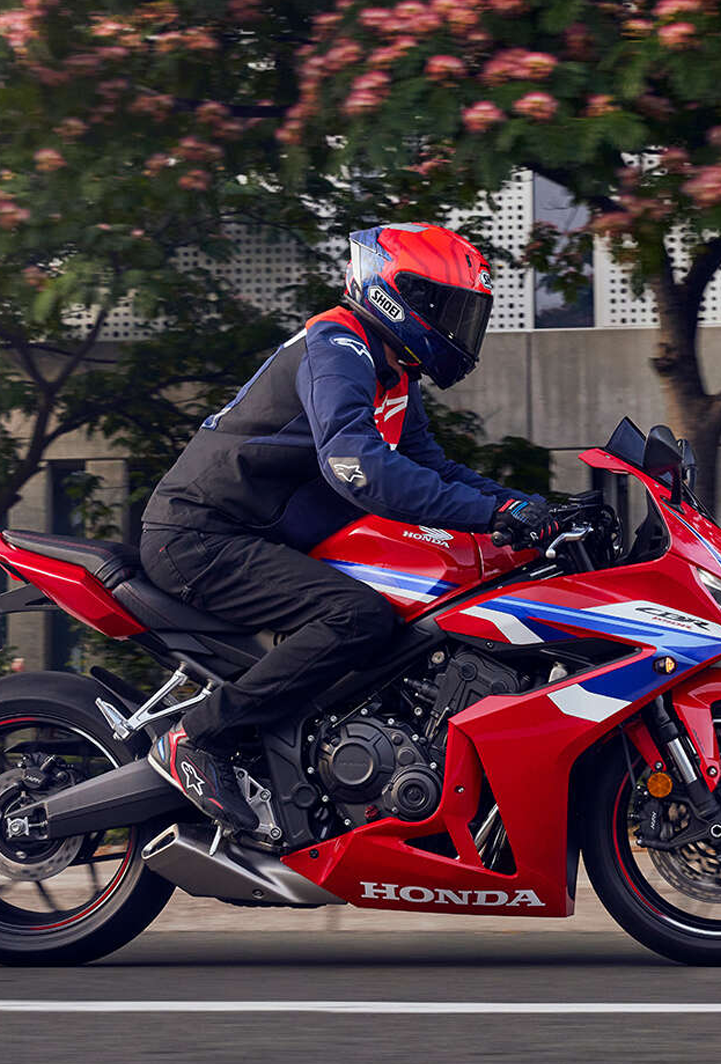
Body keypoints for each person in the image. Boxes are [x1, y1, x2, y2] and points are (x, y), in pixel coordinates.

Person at [139, 223, 552, 834]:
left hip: (252, 537)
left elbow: (431, 467)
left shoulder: (391, 373)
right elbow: (355, 464)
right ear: (397, 293)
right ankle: (195, 737)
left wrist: (536, 509)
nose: (460, 326)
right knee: (357, 618)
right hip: (201, 536)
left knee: (396, 627)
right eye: (447, 308)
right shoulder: (338, 346)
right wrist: (491, 516)